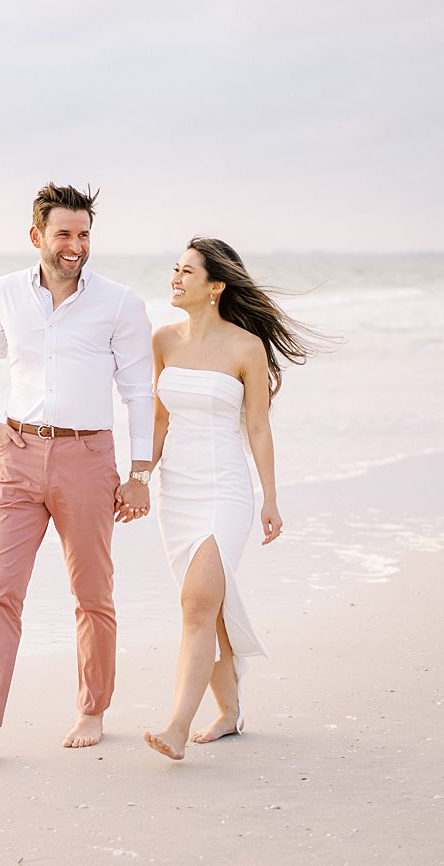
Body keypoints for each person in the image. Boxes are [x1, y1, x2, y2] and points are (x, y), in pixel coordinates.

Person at [0, 183, 155, 756]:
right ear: (37, 237)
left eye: (83, 235)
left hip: (88, 457)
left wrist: (140, 473)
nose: (75, 245)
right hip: (18, 454)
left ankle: (92, 710)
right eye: (64, 234)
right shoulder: (3, 294)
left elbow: (138, 392)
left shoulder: (120, 303)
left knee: (91, 593)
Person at [143, 237, 319, 760]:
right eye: (174, 269)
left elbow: (260, 430)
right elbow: (158, 419)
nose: (175, 278)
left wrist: (271, 498)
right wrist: (137, 476)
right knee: (211, 610)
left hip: (225, 490)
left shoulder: (246, 348)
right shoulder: (162, 341)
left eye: (187, 272)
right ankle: (230, 712)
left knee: (197, 603)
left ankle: (176, 726)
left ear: (216, 285)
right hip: (176, 488)